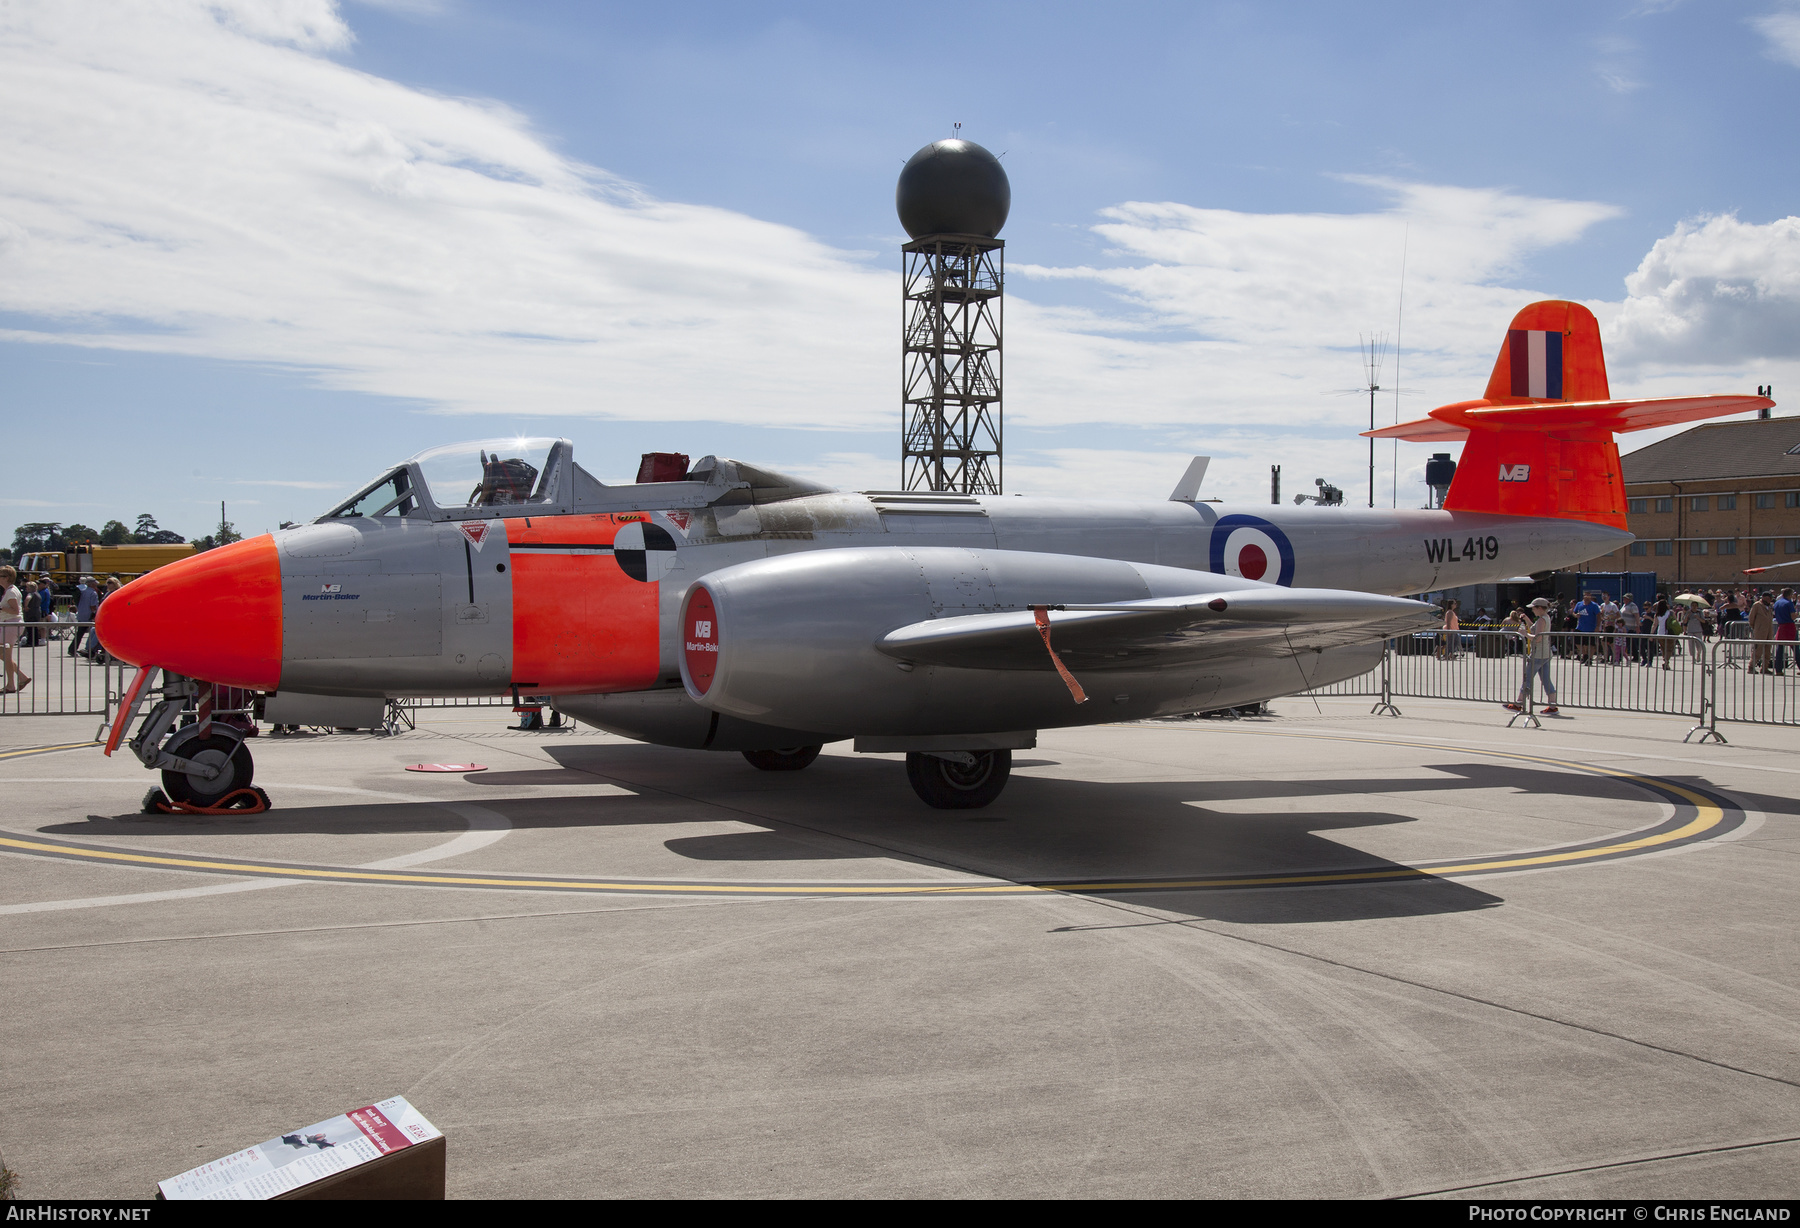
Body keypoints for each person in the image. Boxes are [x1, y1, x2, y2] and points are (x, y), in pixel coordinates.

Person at [1504, 596, 1559, 714]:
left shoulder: (1541, 620)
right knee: (1546, 679)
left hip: (1538, 654)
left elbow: (1537, 638)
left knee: (1527, 678)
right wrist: (1527, 620)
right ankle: (1553, 705)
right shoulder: (1545, 618)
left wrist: (1524, 634)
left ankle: (1519, 703)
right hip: (1545, 653)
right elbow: (1535, 629)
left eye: (1534, 608)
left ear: (1540, 608)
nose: (1532, 610)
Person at [0, 566, 28, 694]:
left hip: (10, 625)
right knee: (4, 655)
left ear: (7, 578)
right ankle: (21, 677)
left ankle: (11, 684)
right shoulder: (9, 590)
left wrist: (1, 609)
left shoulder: (11, 592)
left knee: (6, 655)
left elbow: (15, 610)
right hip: (10, 625)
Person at [68, 577, 100, 658]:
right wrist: (95, 613)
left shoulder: (83, 592)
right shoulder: (93, 593)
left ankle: (73, 649)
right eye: (95, 583)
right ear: (92, 584)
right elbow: (93, 606)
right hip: (88, 615)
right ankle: (80, 649)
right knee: (90, 632)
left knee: (80, 633)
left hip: (81, 614)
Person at [1749, 592, 1776, 673]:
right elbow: (1751, 618)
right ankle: (1751, 667)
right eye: (1768, 598)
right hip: (1760, 631)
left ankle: (1765, 668)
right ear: (1764, 597)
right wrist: (1757, 628)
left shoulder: (1769, 606)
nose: (1769, 600)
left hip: (1769, 631)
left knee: (1768, 651)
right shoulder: (1757, 605)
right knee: (1758, 650)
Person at [1572, 591, 1600, 664]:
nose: (1587, 597)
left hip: (1590, 628)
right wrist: (1576, 615)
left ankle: (1589, 659)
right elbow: (1574, 612)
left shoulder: (1594, 605)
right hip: (1580, 627)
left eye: (1588, 595)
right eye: (1585, 595)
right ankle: (1585, 655)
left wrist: (1597, 626)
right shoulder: (1579, 604)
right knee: (1577, 642)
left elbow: (1599, 615)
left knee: (1590, 644)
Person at [1774, 588, 1796, 675]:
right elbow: (1793, 616)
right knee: (1796, 648)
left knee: (1780, 649)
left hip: (1781, 626)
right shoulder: (1789, 603)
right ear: (1789, 595)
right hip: (1789, 626)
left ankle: (1778, 669)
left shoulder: (1777, 602)